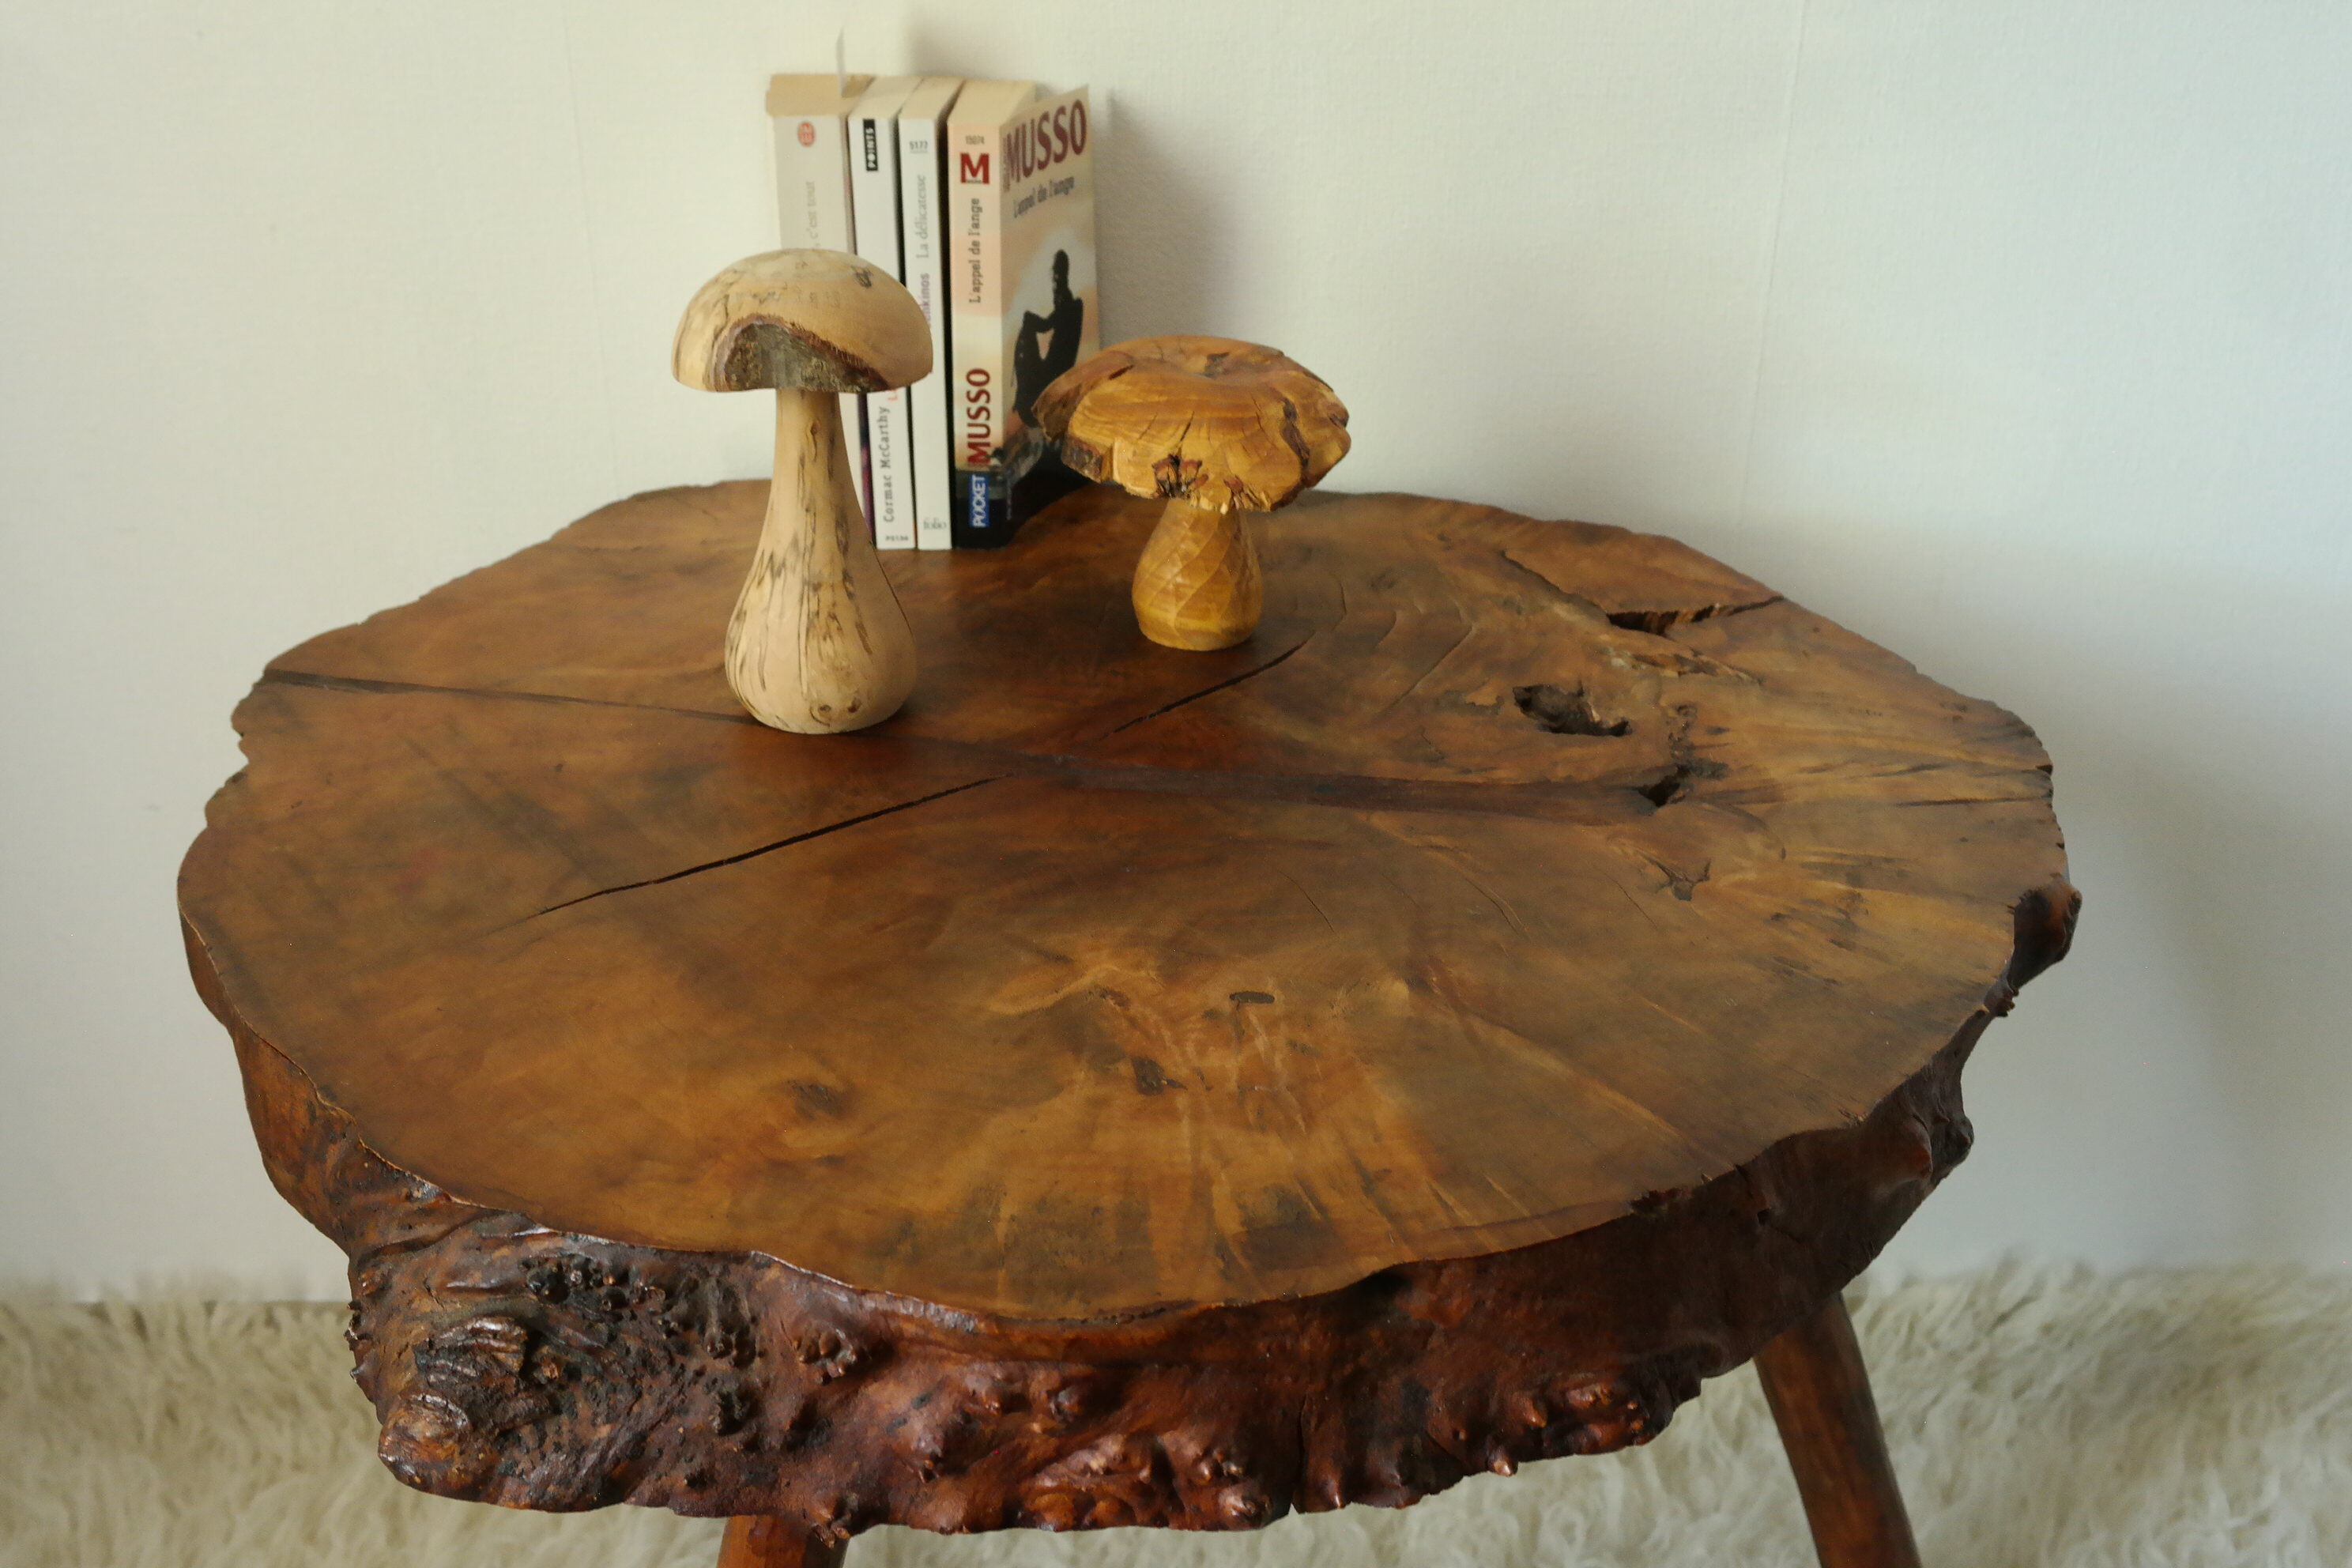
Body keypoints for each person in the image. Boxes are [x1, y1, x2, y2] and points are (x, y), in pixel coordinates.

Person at [1012, 251, 1085, 424]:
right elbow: (1048, 323)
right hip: (1054, 362)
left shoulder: (1067, 301)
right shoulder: (1066, 303)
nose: (1054, 280)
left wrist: (1030, 321)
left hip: (1056, 363)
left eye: (1056, 274)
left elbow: (1048, 324)